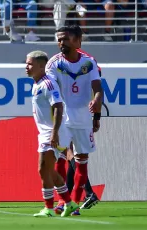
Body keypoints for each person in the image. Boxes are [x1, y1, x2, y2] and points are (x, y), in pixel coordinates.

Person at [46, 25, 103, 216]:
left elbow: (98, 89)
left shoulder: (89, 63)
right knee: (60, 158)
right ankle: (63, 201)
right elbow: (52, 93)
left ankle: (75, 204)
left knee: (82, 161)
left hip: (83, 118)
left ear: (78, 41)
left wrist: (96, 107)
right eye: (59, 39)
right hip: (62, 117)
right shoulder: (53, 64)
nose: (61, 42)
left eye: (66, 39)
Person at [26, 50, 78, 217]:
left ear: (41, 66)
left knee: (43, 168)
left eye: (30, 64)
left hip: (53, 132)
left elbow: (58, 106)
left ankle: (49, 208)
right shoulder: (37, 83)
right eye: (26, 63)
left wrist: (54, 133)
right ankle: (68, 203)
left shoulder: (48, 83)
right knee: (45, 170)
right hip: (46, 132)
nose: (26, 67)